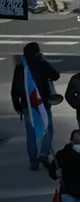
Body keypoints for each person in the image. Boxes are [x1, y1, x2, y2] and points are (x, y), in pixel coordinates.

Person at [11, 42, 60, 170]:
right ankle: (44, 153)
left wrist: (17, 105)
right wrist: (45, 61)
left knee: (31, 133)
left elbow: (15, 89)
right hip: (42, 103)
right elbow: (56, 75)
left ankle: (33, 161)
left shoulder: (20, 68)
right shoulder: (42, 65)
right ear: (37, 53)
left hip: (27, 104)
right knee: (48, 129)